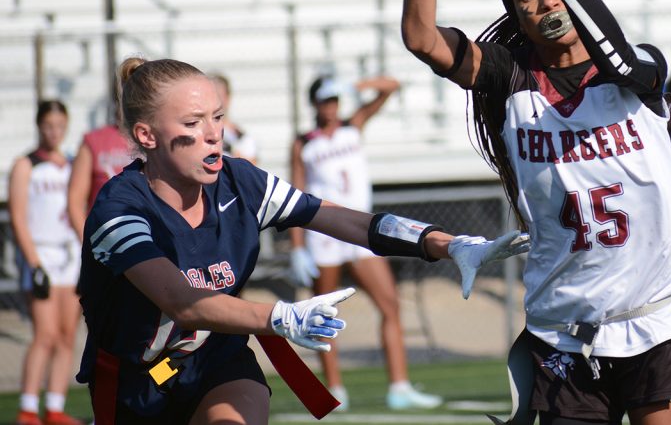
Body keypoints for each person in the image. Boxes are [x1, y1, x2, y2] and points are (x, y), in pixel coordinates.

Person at [401, 0, 671, 425]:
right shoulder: (510, 77)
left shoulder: (637, 68)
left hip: (655, 319)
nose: (544, 6)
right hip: (563, 329)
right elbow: (420, 38)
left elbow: (616, 57)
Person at [75, 56, 527, 425]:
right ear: (146, 136)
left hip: (217, 360)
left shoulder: (239, 182)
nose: (214, 134)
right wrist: (281, 316)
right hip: (136, 383)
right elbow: (182, 301)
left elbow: (333, 217)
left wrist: (442, 243)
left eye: (217, 117)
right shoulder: (119, 209)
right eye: (194, 122)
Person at [288, 74, 442, 411]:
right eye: (326, 100)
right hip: (323, 235)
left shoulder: (352, 126)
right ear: (314, 103)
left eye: (335, 100)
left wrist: (354, 85)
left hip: (360, 233)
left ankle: (399, 386)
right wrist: (297, 246)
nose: (332, 107)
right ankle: (334, 390)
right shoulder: (304, 142)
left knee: (390, 304)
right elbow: (298, 195)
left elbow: (391, 87)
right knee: (322, 314)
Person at [10, 100, 83, 425]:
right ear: (39, 125)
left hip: (71, 255)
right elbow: (18, 216)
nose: (54, 132)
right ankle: (28, 407)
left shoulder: (71, 164)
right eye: (48, 125)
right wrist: (33, 262)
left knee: (68, 334)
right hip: (41, 255)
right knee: (46, 333)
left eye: (60, 125)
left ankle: (54, 406)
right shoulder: (27, 165)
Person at [67, 102, 135, 236]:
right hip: (105, 237)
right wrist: (87, 242)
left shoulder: (153, 138)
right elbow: (75, 201)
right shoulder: (94, 140)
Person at [209, 73, 258, 164]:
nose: (214, 100)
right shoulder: (198, 133)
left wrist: (230, 149)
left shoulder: (241, 137)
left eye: (219, 95)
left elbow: (253, 168)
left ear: (228, 98)